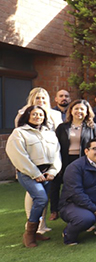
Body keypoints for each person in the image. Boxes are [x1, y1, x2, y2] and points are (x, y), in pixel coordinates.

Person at [6, 106, 61, 247]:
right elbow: (18, 155)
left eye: (41, 115)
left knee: (42, 202)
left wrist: (53, 171)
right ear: (28, 115)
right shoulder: (19, 133)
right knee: (41, 198)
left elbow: (56, 154)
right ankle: (29, 233)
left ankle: (36, 232)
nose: (38, 117)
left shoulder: (50, 133)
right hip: (28, 174)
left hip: (47, 174)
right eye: (34, 114)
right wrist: (35, 173)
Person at [17, 88, 65, 233]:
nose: (41, 101)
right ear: (32, 99)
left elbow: (59, 135)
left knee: (45, 193)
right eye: (38, 98)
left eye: (44, 98)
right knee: (35, 194)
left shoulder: (55, 114)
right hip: (31, 162)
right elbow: (20, 140)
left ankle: (42, 224)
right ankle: (31, 224)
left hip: (49, 160)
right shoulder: (23, 113)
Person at [52, 100, 96, 220]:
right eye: (76, 108)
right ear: (71, 111)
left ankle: (84, 208)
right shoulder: (62, 127)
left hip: (83, 160)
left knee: (82, 185)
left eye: (82, 109)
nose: (79, 111)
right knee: (56, 184)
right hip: (64, 159)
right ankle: (54, 209)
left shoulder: (92, 127)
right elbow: (55, 145)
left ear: (87, 112)